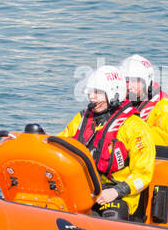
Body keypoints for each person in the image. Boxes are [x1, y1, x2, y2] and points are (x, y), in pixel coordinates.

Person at [60, 65, 155, 219]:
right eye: (90, 92)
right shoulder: (82, 119)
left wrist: (117, 191)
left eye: (97, 93)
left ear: (113, 93)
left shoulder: (135, 127)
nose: (92, 97)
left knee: (112, 217)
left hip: (119, 195)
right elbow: (60, 143)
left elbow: (143, 175)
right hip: (84, 188)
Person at [121, 54, 168, 147]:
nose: (129, 86)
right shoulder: (121, 102)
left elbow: (163, 139)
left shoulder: (165, 107)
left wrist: (127, 142)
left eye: (135, 81)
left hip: (159, 156)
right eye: (126, 81)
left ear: (147, 81)